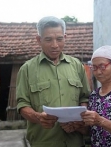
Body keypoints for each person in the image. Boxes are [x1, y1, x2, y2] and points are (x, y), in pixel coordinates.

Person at [16, 16, 91, 147]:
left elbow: (84, 97)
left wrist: (79, 119)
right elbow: (22, 105)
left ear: (65, 38)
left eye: (59, 39)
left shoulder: (77, 65)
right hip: (44, 142)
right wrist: (39, 117)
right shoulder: (27, 69)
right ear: (39, 40)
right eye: (48, 39)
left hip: (75, 141)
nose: (55, 45)